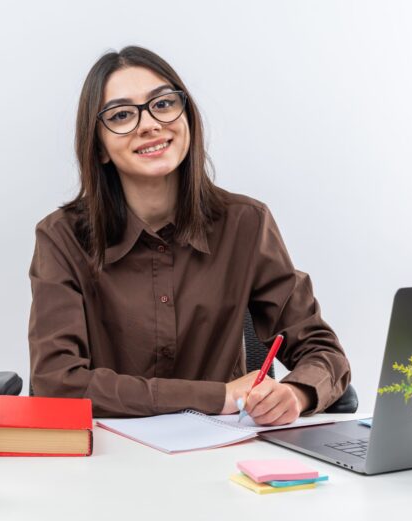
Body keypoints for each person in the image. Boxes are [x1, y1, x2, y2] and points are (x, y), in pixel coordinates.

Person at [28, 46, 350, 425]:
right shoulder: (62, 237)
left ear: (187, 117)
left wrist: (296, 394)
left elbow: (322, 351)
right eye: (121, 115)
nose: (149, 124)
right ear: (99, 147)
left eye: (163, 104)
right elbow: (55, 383)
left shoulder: (246, 223)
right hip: (107, 458)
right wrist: (218, 396)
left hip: (224, 461)